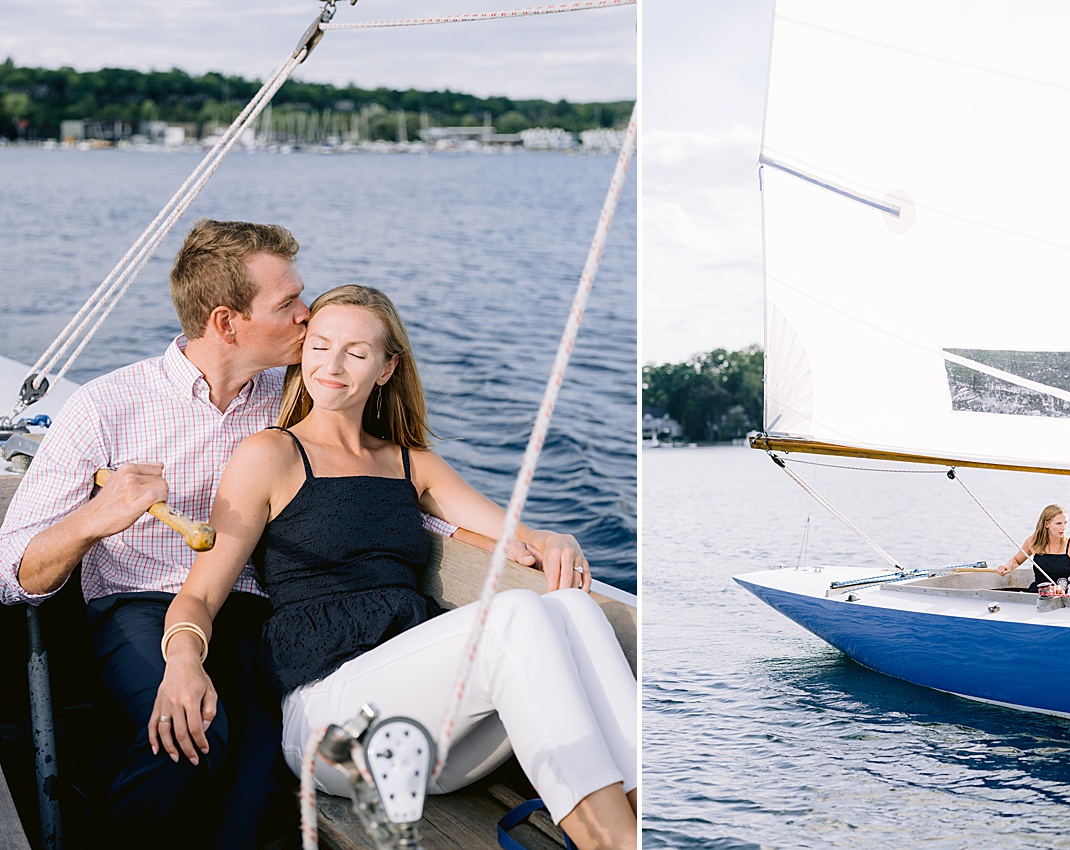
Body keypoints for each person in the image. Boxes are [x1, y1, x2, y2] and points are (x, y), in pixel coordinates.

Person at [147, 285, 638, 850]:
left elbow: (517, 536)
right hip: (329, 725)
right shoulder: (271, 455)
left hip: (429, 732)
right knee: (514, 615)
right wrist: (182, 661)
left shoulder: (411, 463)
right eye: (319, 346)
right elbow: (200, 595)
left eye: (355, 353)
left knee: (572, 605)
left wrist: (551, 538)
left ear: (386, 369)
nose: (332, 366)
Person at [0, 219, 311, 849]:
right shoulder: (105, 406)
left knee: (263, 787)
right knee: (190, 739)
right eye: (289, 303)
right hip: (139, 605)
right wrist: (97, 516)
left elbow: (376, 480)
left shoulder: (297, 400)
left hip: (250, 610)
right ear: (227, 323)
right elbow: (13, 575)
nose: (309, 314)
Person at [996, 503, 1070, 592]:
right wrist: (1008, 566)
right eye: (1058, 523)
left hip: (1064, 595)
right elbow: (1017, 560)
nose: (1063, 527)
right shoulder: (1033, 541)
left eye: (1065, 523)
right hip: (1038, 594)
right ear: (1046, 524)